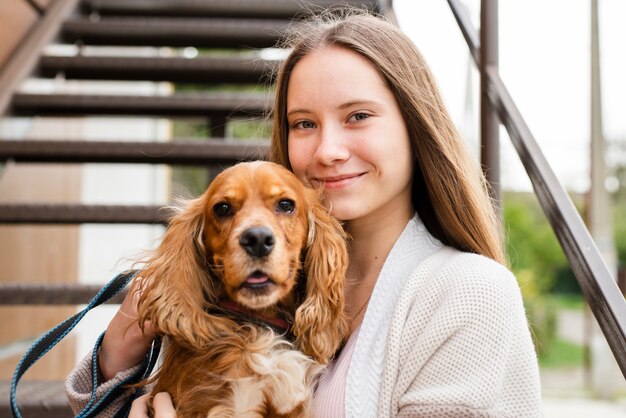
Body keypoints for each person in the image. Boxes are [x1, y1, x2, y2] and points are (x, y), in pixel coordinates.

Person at [65, 9, 542, 418]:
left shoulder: (469, 294)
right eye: (304, 124)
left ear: (415, 124)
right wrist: (114, 359)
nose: (329, 150)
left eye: (358, 116)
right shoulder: (250, 294)